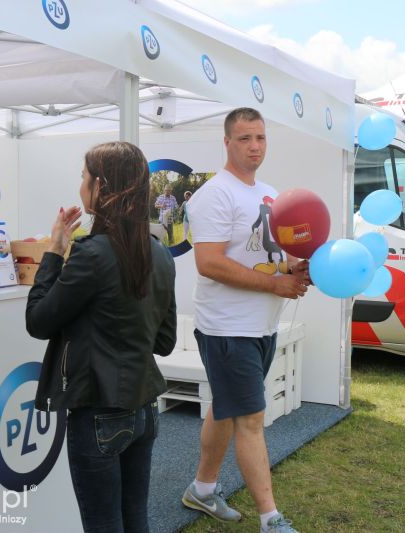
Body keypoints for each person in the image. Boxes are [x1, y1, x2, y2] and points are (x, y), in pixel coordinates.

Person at [25, 141, 177, 533]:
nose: (80, 186)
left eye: (83, 177)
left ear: (101, 187)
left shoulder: (92, 255)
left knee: (104, 524)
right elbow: (165, 341)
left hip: (98, 413)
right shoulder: (159, 254)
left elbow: (38, 321)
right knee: (134, 520)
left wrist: (55, 251)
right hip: (144, 411)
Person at [181, 108, 310, 533]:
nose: (254, 146)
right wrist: (275, 286)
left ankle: (201, 489)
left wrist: (296, 269)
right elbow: (210, 263)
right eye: (244, 139)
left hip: (261, 326)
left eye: (260, 137)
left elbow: (276, 252)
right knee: (251, 419)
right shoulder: (214, 195)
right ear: (227, 143)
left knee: (224, 408)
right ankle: (270, 519)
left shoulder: (270, 194)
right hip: (227, 328)